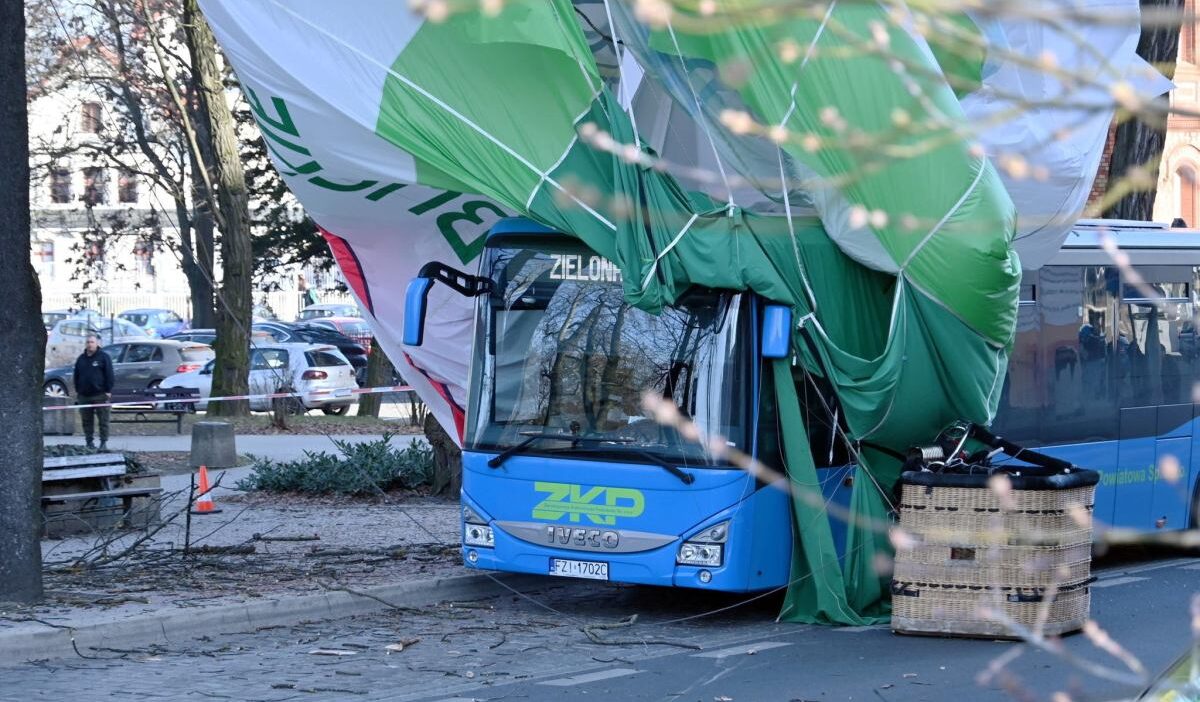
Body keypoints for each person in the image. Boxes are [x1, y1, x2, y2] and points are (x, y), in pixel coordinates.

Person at [74, 334, 114, 451]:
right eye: (88, 342)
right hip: (84, 396)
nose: (89, 344)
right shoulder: (81, 359)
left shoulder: (104, 357)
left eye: (92, 342)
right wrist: (78, 391)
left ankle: (103, 443)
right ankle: (89, 442)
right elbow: (76, 375)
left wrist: (108, 390)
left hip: (100, 395)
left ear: (97, 344)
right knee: (86, 421)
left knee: (103, 420)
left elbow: (110, 375)